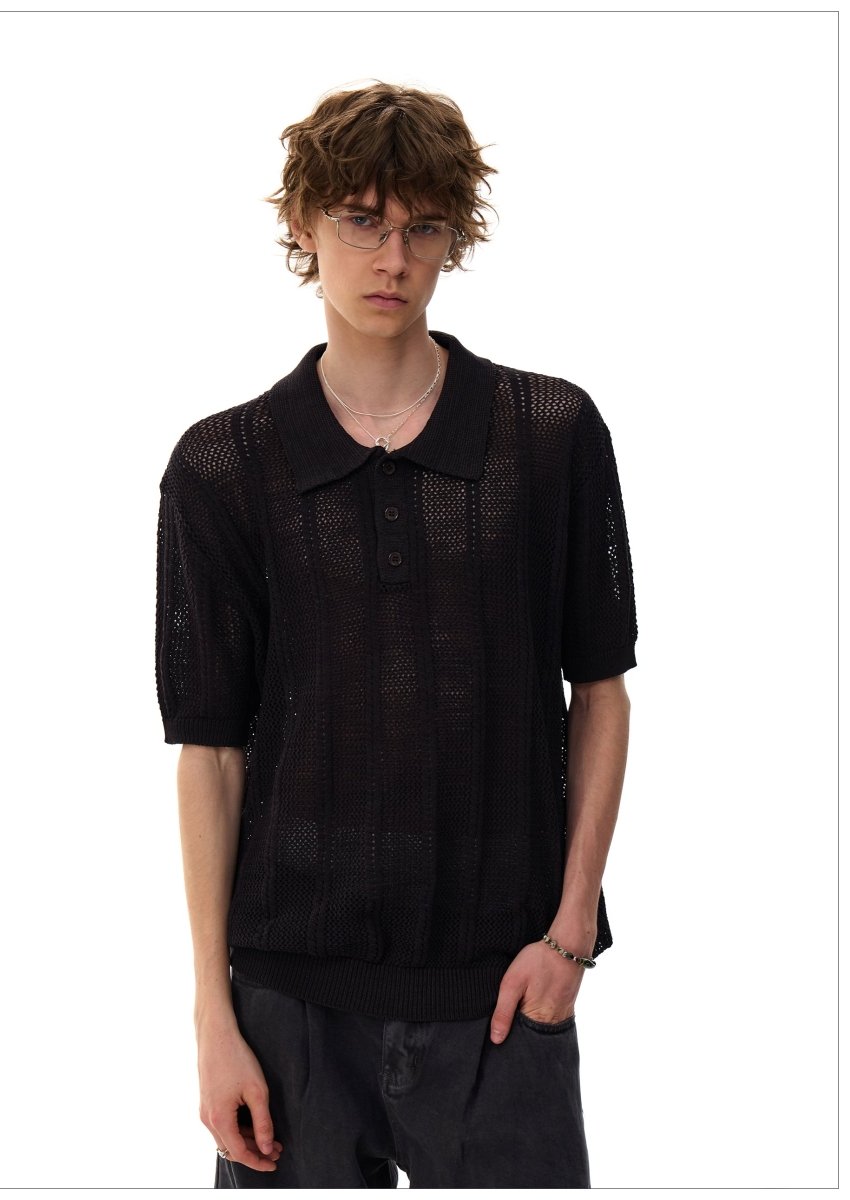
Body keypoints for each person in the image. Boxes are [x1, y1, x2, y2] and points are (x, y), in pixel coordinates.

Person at [155, 81, 638, 1189]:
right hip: (287, 1001)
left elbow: (602, 690)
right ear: (302, 224)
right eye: (362, 221)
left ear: (454, 237)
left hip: (503, 989)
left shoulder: (550, 435)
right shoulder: (223, 468)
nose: (393, 258)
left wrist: (570, 934)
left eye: (424, 227)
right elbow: (210, 753)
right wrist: (214, 1016)